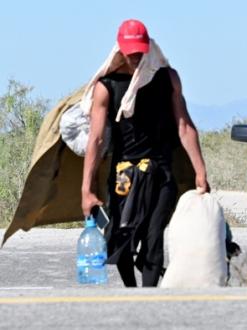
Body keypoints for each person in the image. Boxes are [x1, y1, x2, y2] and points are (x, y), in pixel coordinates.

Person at [81, 19, 209, 287]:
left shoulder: (167, 79)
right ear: (120, 49)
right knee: (120, 240)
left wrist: (200, 171)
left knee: (153, 239)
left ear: (149, 47)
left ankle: (150, 296)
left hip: (160, 173)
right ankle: (131, 292)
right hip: (123, 177)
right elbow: (96, 138)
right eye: (130, 52)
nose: (136, 57)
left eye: (140, 50)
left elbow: (184, 126)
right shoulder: (107, 86)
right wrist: (86, 189)